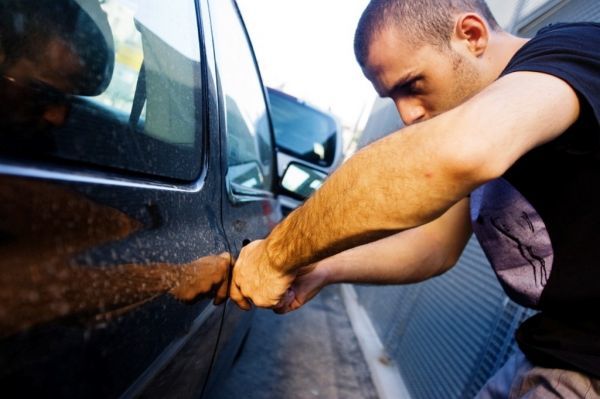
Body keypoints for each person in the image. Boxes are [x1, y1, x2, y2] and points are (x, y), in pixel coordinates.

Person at [230, 0, 600, 396]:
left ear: (471, 35)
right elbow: (434, 247)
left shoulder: (577, 51)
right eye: (392, 97)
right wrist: (322, 266)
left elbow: (455, 153)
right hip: (549, 353)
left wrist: (276, 254)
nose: (407, 115)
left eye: (412, 85)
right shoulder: (479, 118)